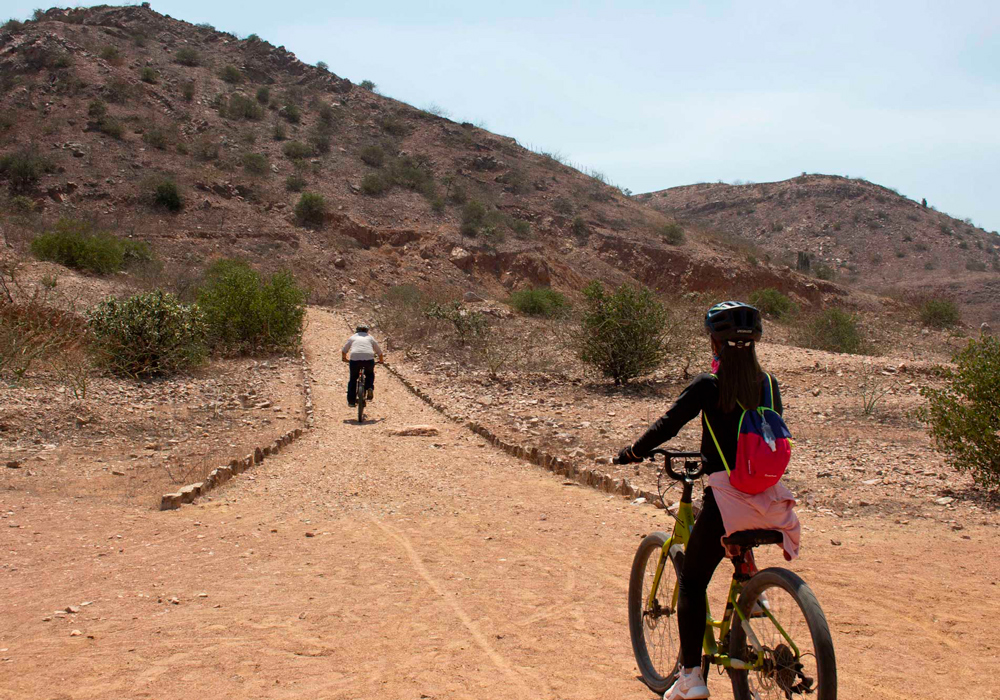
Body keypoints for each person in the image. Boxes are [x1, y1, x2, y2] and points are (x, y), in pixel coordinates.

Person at [617, 301, 799, 700]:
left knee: (693, 581)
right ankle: (751, 592)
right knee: (730, 537)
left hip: (727, 498)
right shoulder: (768, 384)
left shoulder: (708, 385)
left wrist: (633, 451)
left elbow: (668, 424)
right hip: (770, 497)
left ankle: (690, 677)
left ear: (714, 343)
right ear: (753, 345)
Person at [341, 324, 384, 407]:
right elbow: (379, 352)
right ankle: (369, 387)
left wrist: (344, 358)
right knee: (370, 374)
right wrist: (381, 361)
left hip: (355, 359)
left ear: (357, 331)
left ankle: (351, 401)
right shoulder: (370, 337)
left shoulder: (353, 337)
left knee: (353, 379)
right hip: (368, 359)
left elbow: (344, 350)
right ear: (367, 331)